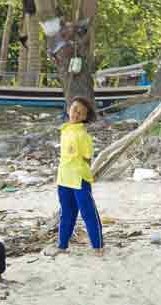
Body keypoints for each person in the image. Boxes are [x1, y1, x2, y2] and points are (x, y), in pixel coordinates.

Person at [54, 96, 103, 257]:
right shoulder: (64, 129)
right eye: (74, 108)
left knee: (88, 212)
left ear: (84, 117)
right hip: (63, 178)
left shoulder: (84, 135)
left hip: (79, 179)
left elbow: (88, 158)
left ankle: (98, 246)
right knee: (66, 213)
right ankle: (62, 245)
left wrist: (78, 168)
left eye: (79, 112)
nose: (75, 113)